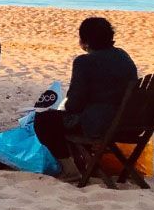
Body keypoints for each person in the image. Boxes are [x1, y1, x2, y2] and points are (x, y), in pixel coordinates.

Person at [33, 17, 137, 164]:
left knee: (44, 120)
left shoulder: (84, 62)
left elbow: (74, 104)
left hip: (100, 126)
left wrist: (68, 107)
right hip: (129, 124)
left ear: (85, 41)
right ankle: (87, 161)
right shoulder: (123, 57)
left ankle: (69, 167)